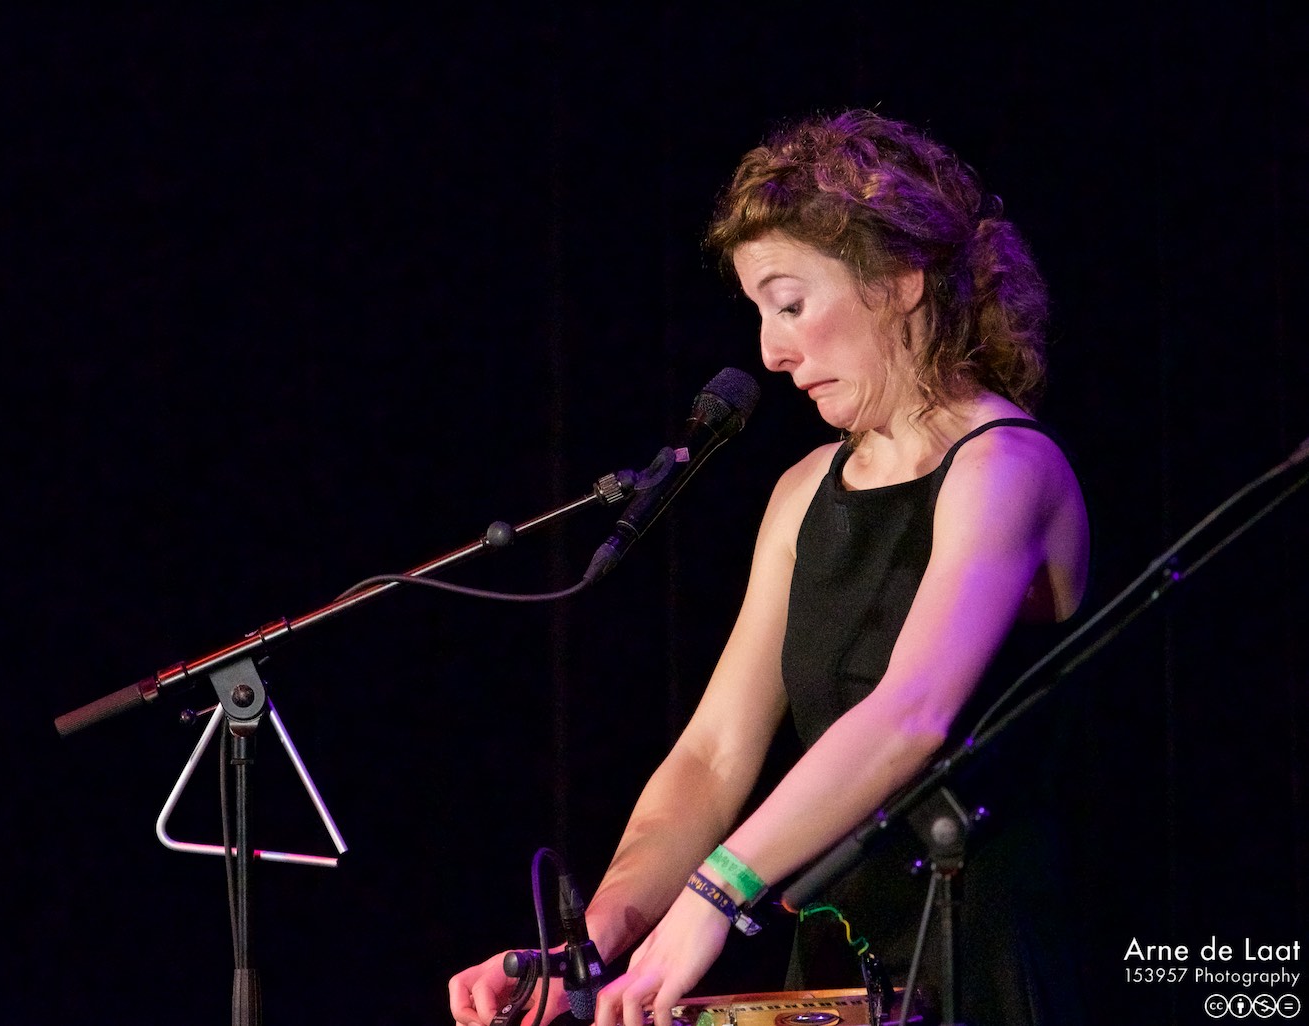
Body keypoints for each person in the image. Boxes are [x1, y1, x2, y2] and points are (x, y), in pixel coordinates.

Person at [448, 109, 1089, 1026]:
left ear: (899, 280)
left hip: (975, 960)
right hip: (832, 969)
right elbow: (712, 757)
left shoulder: (1005, 467)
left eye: (789, 305)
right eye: (759, 313)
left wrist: (715, 894)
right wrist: (589, 945)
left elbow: (909, 716)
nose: (770, 351)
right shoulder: (802, 492)